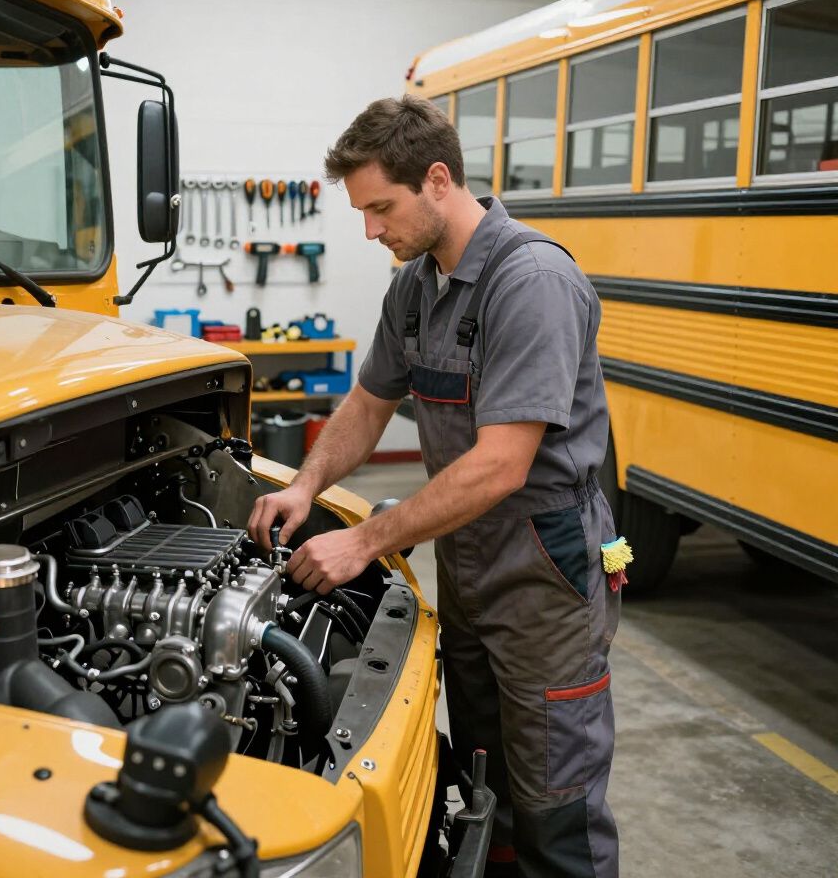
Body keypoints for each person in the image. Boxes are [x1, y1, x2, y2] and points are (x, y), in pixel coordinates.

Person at [248, 95, 621, 878]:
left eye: (381, 207)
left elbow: (499, 465)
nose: (371, 230)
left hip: (545, 569)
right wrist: (306, 487)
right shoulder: (416, 286)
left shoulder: (531, 281)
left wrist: (367, 540)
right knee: (485, 781)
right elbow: (368, 403)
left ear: (440, 179)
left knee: (555, 803)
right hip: (472, 562)